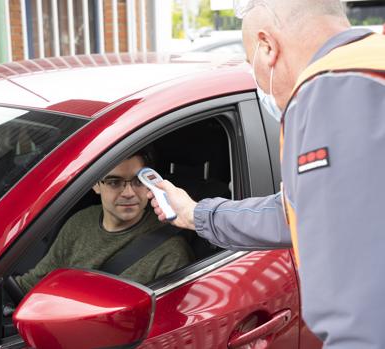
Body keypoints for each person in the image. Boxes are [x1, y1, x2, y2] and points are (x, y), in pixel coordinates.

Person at [148, 1, 385, 348]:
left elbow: (357, 313)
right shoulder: (372, 66)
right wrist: (195, 214)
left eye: (249, 61)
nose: (254, 76)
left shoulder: (332, 90)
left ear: (268, 46)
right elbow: (299, 211)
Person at [16, 149, 193, 293]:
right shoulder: (80, 222)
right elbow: (34, 283)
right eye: (115, 182)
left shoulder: (170, 251)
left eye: (138, 182)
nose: (129, 192)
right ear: (95, 184)